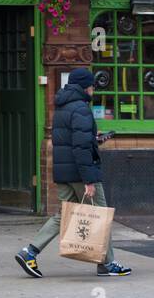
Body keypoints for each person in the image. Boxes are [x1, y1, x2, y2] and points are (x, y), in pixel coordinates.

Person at [15, 67, 131, 278]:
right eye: (92, 86)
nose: (94, 89)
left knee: (63, 215)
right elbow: (79, 147)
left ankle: (29, 251)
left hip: (64, 172)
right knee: (101, 215)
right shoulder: (81, 109)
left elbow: (71, 141)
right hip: (81, 173)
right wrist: (89, 180)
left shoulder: (61, 107)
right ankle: (107, 264)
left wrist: (94, 140)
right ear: (86, 87)